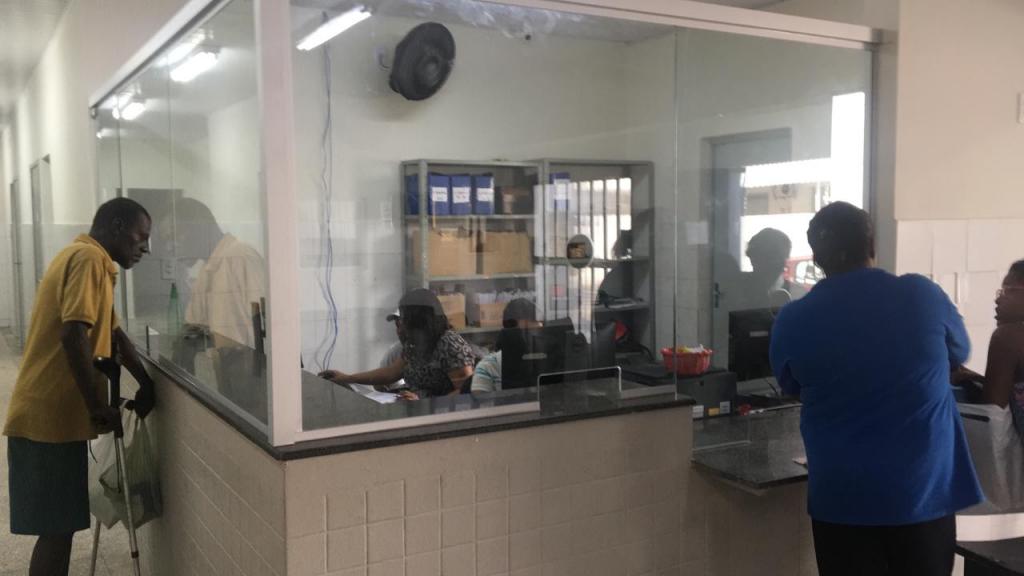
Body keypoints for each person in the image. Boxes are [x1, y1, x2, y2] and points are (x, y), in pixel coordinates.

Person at [768, 202, 982, 575]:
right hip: (921, 490)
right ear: (871, 245)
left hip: (842, 494)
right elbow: (959, 351)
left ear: (818, 258)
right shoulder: (923, 295)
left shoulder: (794, 318)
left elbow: (792, 385)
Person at [4, 197, 157, 576]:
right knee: (56, 533)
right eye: (141, 236)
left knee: (61, 529)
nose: (145, 248)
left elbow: (115, 334)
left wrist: (145, 383)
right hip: (47, 422)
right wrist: (96, 407)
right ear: (117, 227)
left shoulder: (90, 261)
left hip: (53, 420)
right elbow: (73, 334)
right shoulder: (88, 260)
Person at [320, 289, 476, 398]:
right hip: (416, 408)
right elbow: (391, 373)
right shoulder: (414, 344)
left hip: (440, 415)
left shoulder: (449, 344)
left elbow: (465, 392)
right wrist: (347, 378)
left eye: (403, 318)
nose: (401, 325)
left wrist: (424, 403)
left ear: (418, 320)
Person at [956, 260, 1024, 433]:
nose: (998, 299)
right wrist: (978, 380)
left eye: (1008, 290)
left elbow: (991, 417)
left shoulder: (1008, 336)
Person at [471, 298, 541, 393]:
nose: (527, 339)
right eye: (524, 332)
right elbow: (479, 401)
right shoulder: (488, 367)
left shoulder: (545, 360)